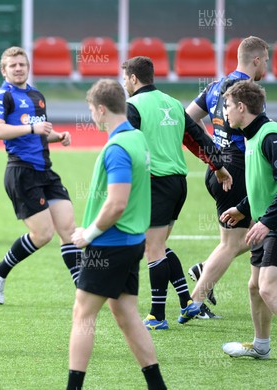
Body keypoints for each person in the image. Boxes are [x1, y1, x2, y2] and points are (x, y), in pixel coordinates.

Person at [68, 79, 166, 390]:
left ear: (100, 109)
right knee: (124, 312)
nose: (91, 117)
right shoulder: (137, 138)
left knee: (82, 315)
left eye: (91, 111)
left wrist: (89, 233)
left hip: (109, 244)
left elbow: (117, 203)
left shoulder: (117, 147)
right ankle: (157, 385)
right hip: (131, 241)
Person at [122, 56, 233, 329]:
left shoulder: (132, 106)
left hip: (154, 183)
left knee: (153, 248)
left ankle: (157, 316)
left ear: (134, 78)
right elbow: (197, 138)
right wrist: (217, 165)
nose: (123, 83)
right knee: (160, 245)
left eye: (125, 78)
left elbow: (127, 147)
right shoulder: (171, 103)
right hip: (177, 184)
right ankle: (186, 303)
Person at [0, 46, 78, 305]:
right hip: (21, 172)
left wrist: (56, 136)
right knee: (43, 235)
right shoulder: (1, 96)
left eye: (22, 64)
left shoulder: (37, 95)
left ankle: (82, 289)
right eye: (12, 65)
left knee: (68, 230)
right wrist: (31, 127)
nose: (18, 68)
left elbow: (40, 131)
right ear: (4, 71)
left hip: (45, 171)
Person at [185, 36, 269, 315]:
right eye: (266, 60)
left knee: (254, 233)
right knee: (234, 243)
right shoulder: (247, 92)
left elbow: (189, 118)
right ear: (256, 59)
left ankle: (203, 273)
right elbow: (254, 134)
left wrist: (211, 148)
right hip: (236, 170)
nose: (267, 65)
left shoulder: (215, 85)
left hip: (217, 168)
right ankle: (195, 301)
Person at [220, 81, 276, 359]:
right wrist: (243, 208)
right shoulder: (252, 137)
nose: (225, 112)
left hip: (273, 224)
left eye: (228, 106)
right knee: (255, 287)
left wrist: (266, 221)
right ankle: (261, 346)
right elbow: (263, 184)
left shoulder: (270, 135)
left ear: (241, 107)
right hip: (265, 222)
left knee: (268, 287)